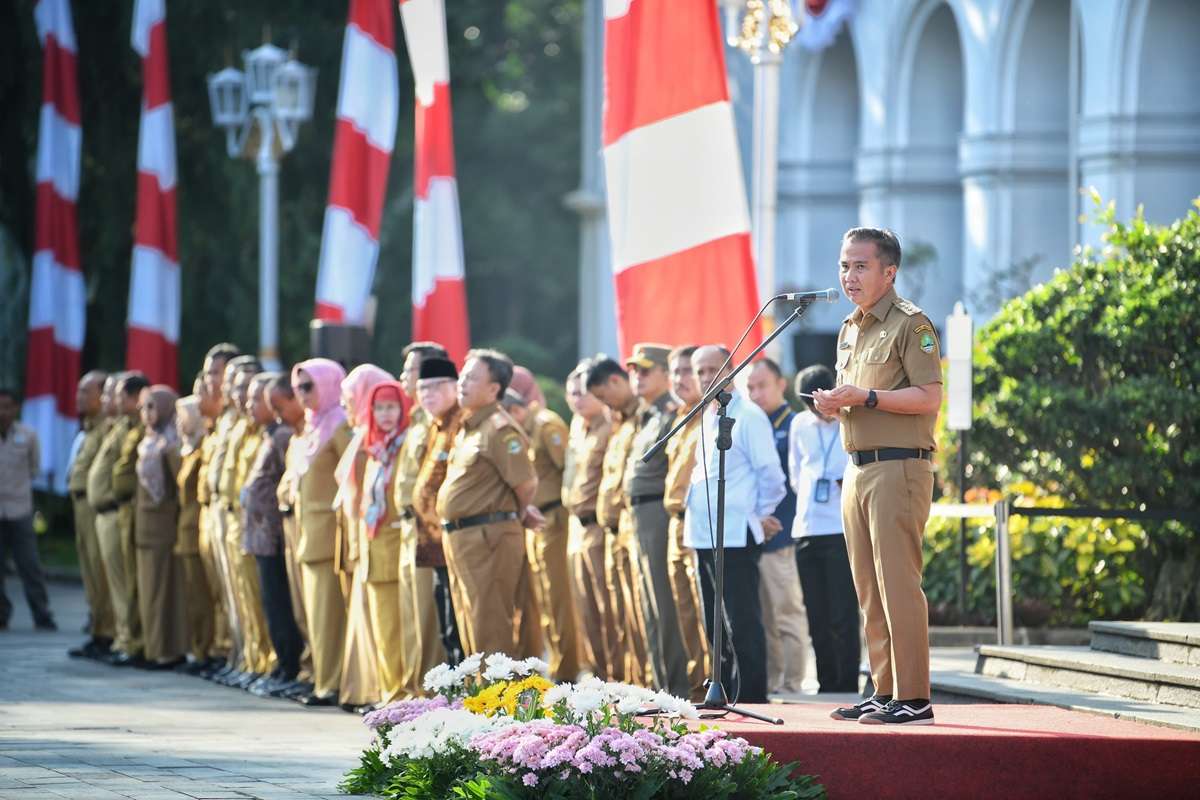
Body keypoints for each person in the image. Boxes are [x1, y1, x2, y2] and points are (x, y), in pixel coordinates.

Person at [816, 226, 942, 726]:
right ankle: (883, 688)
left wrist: (865, 397)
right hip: (857, 467)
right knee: (868, 588)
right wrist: (833, 404)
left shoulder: (912, 325)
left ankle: (914, 697)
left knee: (897, 585)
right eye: (845, 265)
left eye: (861, 266)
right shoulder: (850, 328)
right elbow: (858, 399)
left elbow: (929, 396)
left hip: (899, 467)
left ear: (890, 272)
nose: (849, 276)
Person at [684, 346, 785, 704]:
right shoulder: (706, 415)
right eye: (700, 371)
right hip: (703, 532)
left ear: (732, 370)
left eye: (715, 368)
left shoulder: (749, 415)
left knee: (740, 621)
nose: (707, 376)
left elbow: (772, 475)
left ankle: (751, 696)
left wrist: (758, 513)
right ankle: (721, 692)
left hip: (736, 533)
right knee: (714, 623)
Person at [436, 349, 542, 656]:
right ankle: (480, 697)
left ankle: (497, 700)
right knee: (470, 623)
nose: (462, 383)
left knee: (490, 624)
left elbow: (526, 483)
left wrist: (518, 512)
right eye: (463, 375)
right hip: (464, 537)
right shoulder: (471, 428)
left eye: (471, 377)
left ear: (494, 389)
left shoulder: (500, 429)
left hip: (488, 537)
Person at [623, 343, 690, 697]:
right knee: (647, 607)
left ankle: (677, 687)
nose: (637, 376)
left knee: (664, 604)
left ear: (666, 373)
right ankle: (661, 683)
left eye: (646, 370)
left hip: (657, 513)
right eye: (634, 370)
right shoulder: (646, 414)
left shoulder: (670, 413)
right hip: (637, 514)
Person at [504, 371, 580, 681]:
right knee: (546, 599)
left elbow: (569, 470)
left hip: (556, 519)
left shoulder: (546, 425)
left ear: (517, 410)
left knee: (559, 598)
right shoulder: (526, 427)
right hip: (538, 522)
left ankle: (567, 670)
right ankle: (557, 666)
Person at [789, 365, 859, 694]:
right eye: (808, 402)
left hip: (839, 527)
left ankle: (846, 681)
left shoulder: (849, 419)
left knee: (843, 611)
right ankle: (825, 680)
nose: (815, 410)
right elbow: (794, 472)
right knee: (815, 612)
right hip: (806, 527)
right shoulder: (800, 424)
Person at [291, 358, 354, 706]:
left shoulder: (339, 424)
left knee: (328, 612)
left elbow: (350, 475)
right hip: (308, 532)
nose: (300, 394)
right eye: (297, 387)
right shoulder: (313, 426)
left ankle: (330, 683)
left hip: (329, 534)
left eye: (308, 386)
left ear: (329, 385)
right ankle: (319, 676)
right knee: (314, 613)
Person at [747, 357, 809, 696]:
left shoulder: (794, 423)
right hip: (754, 534)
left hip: (781, 533)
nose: (756, 394)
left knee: (786, 613)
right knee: (765, 618)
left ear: (780, 385)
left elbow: (798, 481)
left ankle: (792, 684)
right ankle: (772, 682)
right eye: (751, 388)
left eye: (762, 386)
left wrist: (779, 523)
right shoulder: (752, 422)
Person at [586, 357, 650, 686]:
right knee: (621, 615)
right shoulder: (621, 421)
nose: (603, 404)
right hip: (612, 531)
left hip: (631, 527)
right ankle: (631, 680)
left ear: (615, 382)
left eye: (603, 395)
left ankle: (648, 682)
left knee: (641, 614)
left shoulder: (643, 416)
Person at [242, 372, 305, 699]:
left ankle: (289, 663)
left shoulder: (283, 436)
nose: (256, 406)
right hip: (259, 533)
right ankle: (278, 664)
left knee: (280, 601)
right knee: (267, 601)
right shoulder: (272, 435)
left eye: (264, 401)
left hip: (275, 534)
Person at [334, 364, 393, 711]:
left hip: (372, 537)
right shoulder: (362, 434)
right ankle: (360, 688)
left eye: (350, 397)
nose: (345, 405)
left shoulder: (374, 440)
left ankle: (372, 689)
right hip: (360, 537)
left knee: (378, 620)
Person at [394, 343, 448, 694]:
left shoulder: (439, 422)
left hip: (430, 530)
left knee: (430, 617)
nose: (405, 378)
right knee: (413, 615)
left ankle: (431, 690)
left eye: (411, 371)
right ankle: (414, 687)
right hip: (408, 527)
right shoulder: (416, 420)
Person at [358, 380, 412, 704]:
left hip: (396, 548)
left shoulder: (403, 447)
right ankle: (387, 689)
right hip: (375, 549)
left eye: (392, 407)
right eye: (379, 408)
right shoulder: (377, 449)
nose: (385, 414)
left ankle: (400, 692)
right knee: (383, 625)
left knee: (399, 625)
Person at [89, 371, 148, 665]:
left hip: (119, 510)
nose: (114, 400)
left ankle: (130, 640)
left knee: (125, 583)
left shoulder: (135, 428)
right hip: (107, 512)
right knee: (114, 583)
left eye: (120, 394)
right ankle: (123, 638)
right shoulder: (119, 426)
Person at [411, 356, 466, 666]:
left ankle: (465, 692)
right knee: (444, 614)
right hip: (432, 542)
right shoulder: (434, 426)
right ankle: (453, 689)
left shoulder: (461, 422)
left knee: (456, 617)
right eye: (423, 388)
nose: (428, 394)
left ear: (454, 388)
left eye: (436, 387)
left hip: (454, 538)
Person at [662, 346, 710, 700]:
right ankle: (695, 690)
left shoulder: (710, 417)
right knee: (684, 614)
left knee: (703, 611)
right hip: (674, 524)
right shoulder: (681, 418)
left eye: (686, 372)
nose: (680, 380)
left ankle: (710, 686)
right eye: (674, 373)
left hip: (698, 521)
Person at [562, 361, 613, 680]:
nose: (577, 399)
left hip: (599, 524)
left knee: (608, 608)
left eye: (584, 392)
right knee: (585, 610)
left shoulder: (609, 425)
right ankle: (596, 674)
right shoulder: (576, 427)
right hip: (575, 527)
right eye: (572, 393)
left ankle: (616, 675)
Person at [133, 384, 187, 669]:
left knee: (163, 591)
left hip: (162, 526)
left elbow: (179, 486)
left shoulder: (170, 444)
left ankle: (165, 651)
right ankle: (152, 649)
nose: (146, 413)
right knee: (149, 591)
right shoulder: (149, 441)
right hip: (144, 526)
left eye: (152, 406)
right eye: (144, 407)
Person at [197, 343, 240, 679]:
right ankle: (229, 653)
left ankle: (237, 654)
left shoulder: (238, 418)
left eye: (217, 372)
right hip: (214, 511)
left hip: (237, 513)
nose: (212, 380)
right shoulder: (221, 419)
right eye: (209, 372)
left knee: (239, 592)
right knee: (220, 590)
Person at [0, 387, 55, 632]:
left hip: (20, 510)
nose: (3, 412)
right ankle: (2, 615)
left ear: (16, 408)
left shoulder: (28, 435)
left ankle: (42, 614)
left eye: (8, 406)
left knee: (30, 565)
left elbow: (34, 469)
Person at [67, 371, 113, 657]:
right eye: (79, 391)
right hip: (80, 505)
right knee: (89, 571)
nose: (79, 397)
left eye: (87, 391)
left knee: (100, 571)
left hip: (94, 507)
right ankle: (97, 629)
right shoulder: (88, 428)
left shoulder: (106, 427)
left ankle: (107, 633)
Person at [175, 389, 216, 671]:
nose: (179, 423)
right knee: (193, 597)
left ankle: (207, 651)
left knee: (205, 596)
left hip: (197, 525)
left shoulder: (202, 448)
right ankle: (198, 649)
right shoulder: (186, 448)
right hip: (186, 529)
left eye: (184, 416)